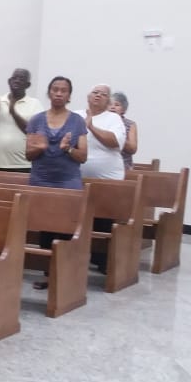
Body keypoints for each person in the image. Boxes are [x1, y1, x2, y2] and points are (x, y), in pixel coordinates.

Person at [25, 76, 88, 289]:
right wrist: (39, 148)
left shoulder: (77, 121)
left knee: (67, 229)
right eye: (55, 89)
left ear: (69, 95)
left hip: (67, 181)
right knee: (46, 228)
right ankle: (48, 275)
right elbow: (28, 155)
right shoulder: (36, 120)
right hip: (41, 179)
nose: (59, 93)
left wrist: (67, 149)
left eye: (63, 90)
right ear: (49, 93)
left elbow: (83, 156)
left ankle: (66, 276)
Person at [75, 83, 127, 273]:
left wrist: (91, 126)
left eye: (103, 94)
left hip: (108, 181)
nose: (98, 96)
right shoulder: (76, 115)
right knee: (79, 219)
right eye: (95, 92)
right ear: (88, 96)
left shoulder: (113, 118)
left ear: (108, 100)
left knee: (103, 221)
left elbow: (115, 143)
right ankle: (78, 257)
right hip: (78, 179)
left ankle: (102, 262)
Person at [0, 68, 44, 172]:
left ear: (28, 85)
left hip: (22, 166)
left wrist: (13, 112)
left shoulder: (35, 104)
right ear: (9, 81)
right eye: (14, 78)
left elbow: (35, 133)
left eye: (21, 78)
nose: (17, 80)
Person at [109, 91, 138, 171]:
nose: (112, 107)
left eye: (117, 105)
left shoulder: (130, 124)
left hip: (123, 168)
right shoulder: (100, 122)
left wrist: (116, 137)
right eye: (110, 104)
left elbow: (132, 148)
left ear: (123, 110)